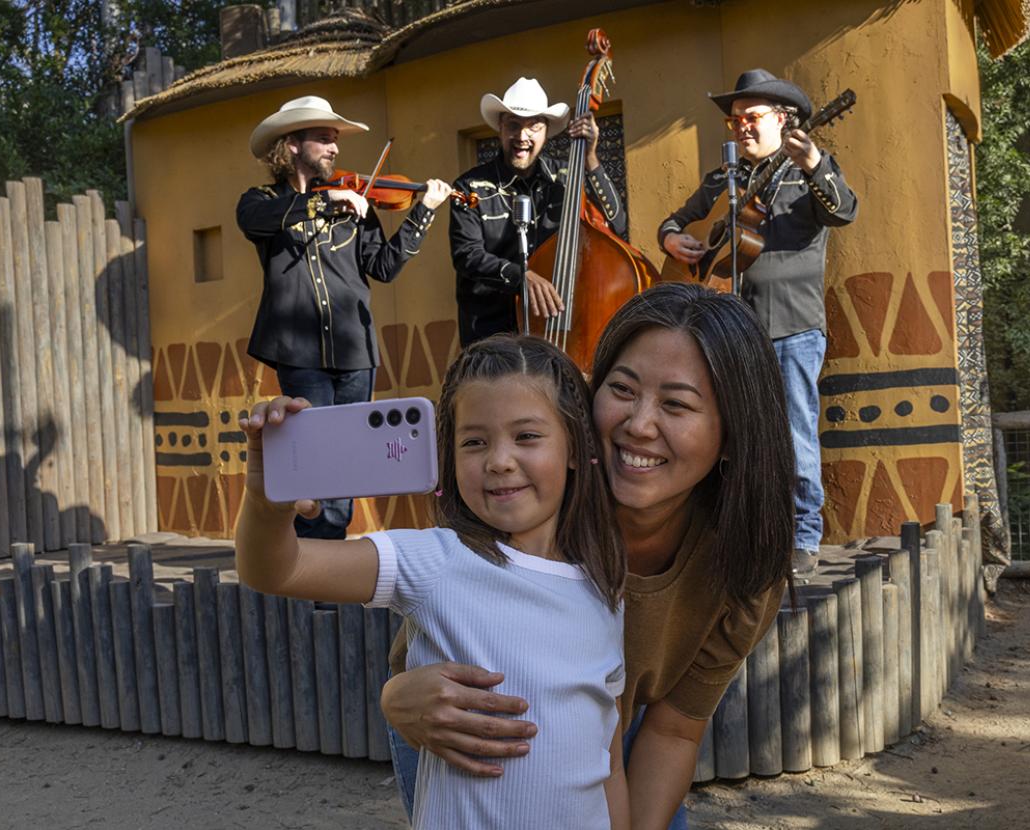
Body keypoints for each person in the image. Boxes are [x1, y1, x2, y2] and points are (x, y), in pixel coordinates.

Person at [382, 282, 796, 830]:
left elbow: (673, 730)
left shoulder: (744, 560)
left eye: (676, 404)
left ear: (734, 431)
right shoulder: (537, 498)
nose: (638, 425)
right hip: (471, 730)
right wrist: (396, 699)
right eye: (622, 389)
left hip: (611, 738)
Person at [235, 336, 630, 829]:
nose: (499, 461)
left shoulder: (603, 591)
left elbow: (609, 766)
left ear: (575, 448)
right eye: (474, 441)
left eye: (527, 436)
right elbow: (276, 570)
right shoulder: (436, 558)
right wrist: (265, 501)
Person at [661, 70, 858, 577]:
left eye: (751, 118)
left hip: (792, 325)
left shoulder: (808, 169)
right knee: (735, 437)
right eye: (735, 120)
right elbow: (675, 221)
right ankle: (746, 535)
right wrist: (671, 240)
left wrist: (813, 162)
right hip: (732, 331)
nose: (741, 128)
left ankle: (802, 537)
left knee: (794, 435)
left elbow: (845, 212)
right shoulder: (724, 178)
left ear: (784, 119)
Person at [237, 95, 452, 540]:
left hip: (355, 348)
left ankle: (328, 561)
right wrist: (323, 202)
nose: (335, 149)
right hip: (299, 351)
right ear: (292, 144)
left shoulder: (357, 202)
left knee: (350, 457)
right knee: (315, 457)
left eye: (336, 141)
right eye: (323, 139)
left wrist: (423, 213)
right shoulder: (264, 200)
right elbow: (254, 221)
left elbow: (384, 267)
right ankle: (313, 561)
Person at [451, 77, 628, 346]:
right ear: (500, 127)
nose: (522, 137)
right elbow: (467, 255)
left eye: (533, 126)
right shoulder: (470, 186)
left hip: (557, 330)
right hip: (491, 334)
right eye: (513, 125)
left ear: (546, 131)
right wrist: (521, 276)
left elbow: (617, 225)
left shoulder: (567, 178)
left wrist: (591, 157)